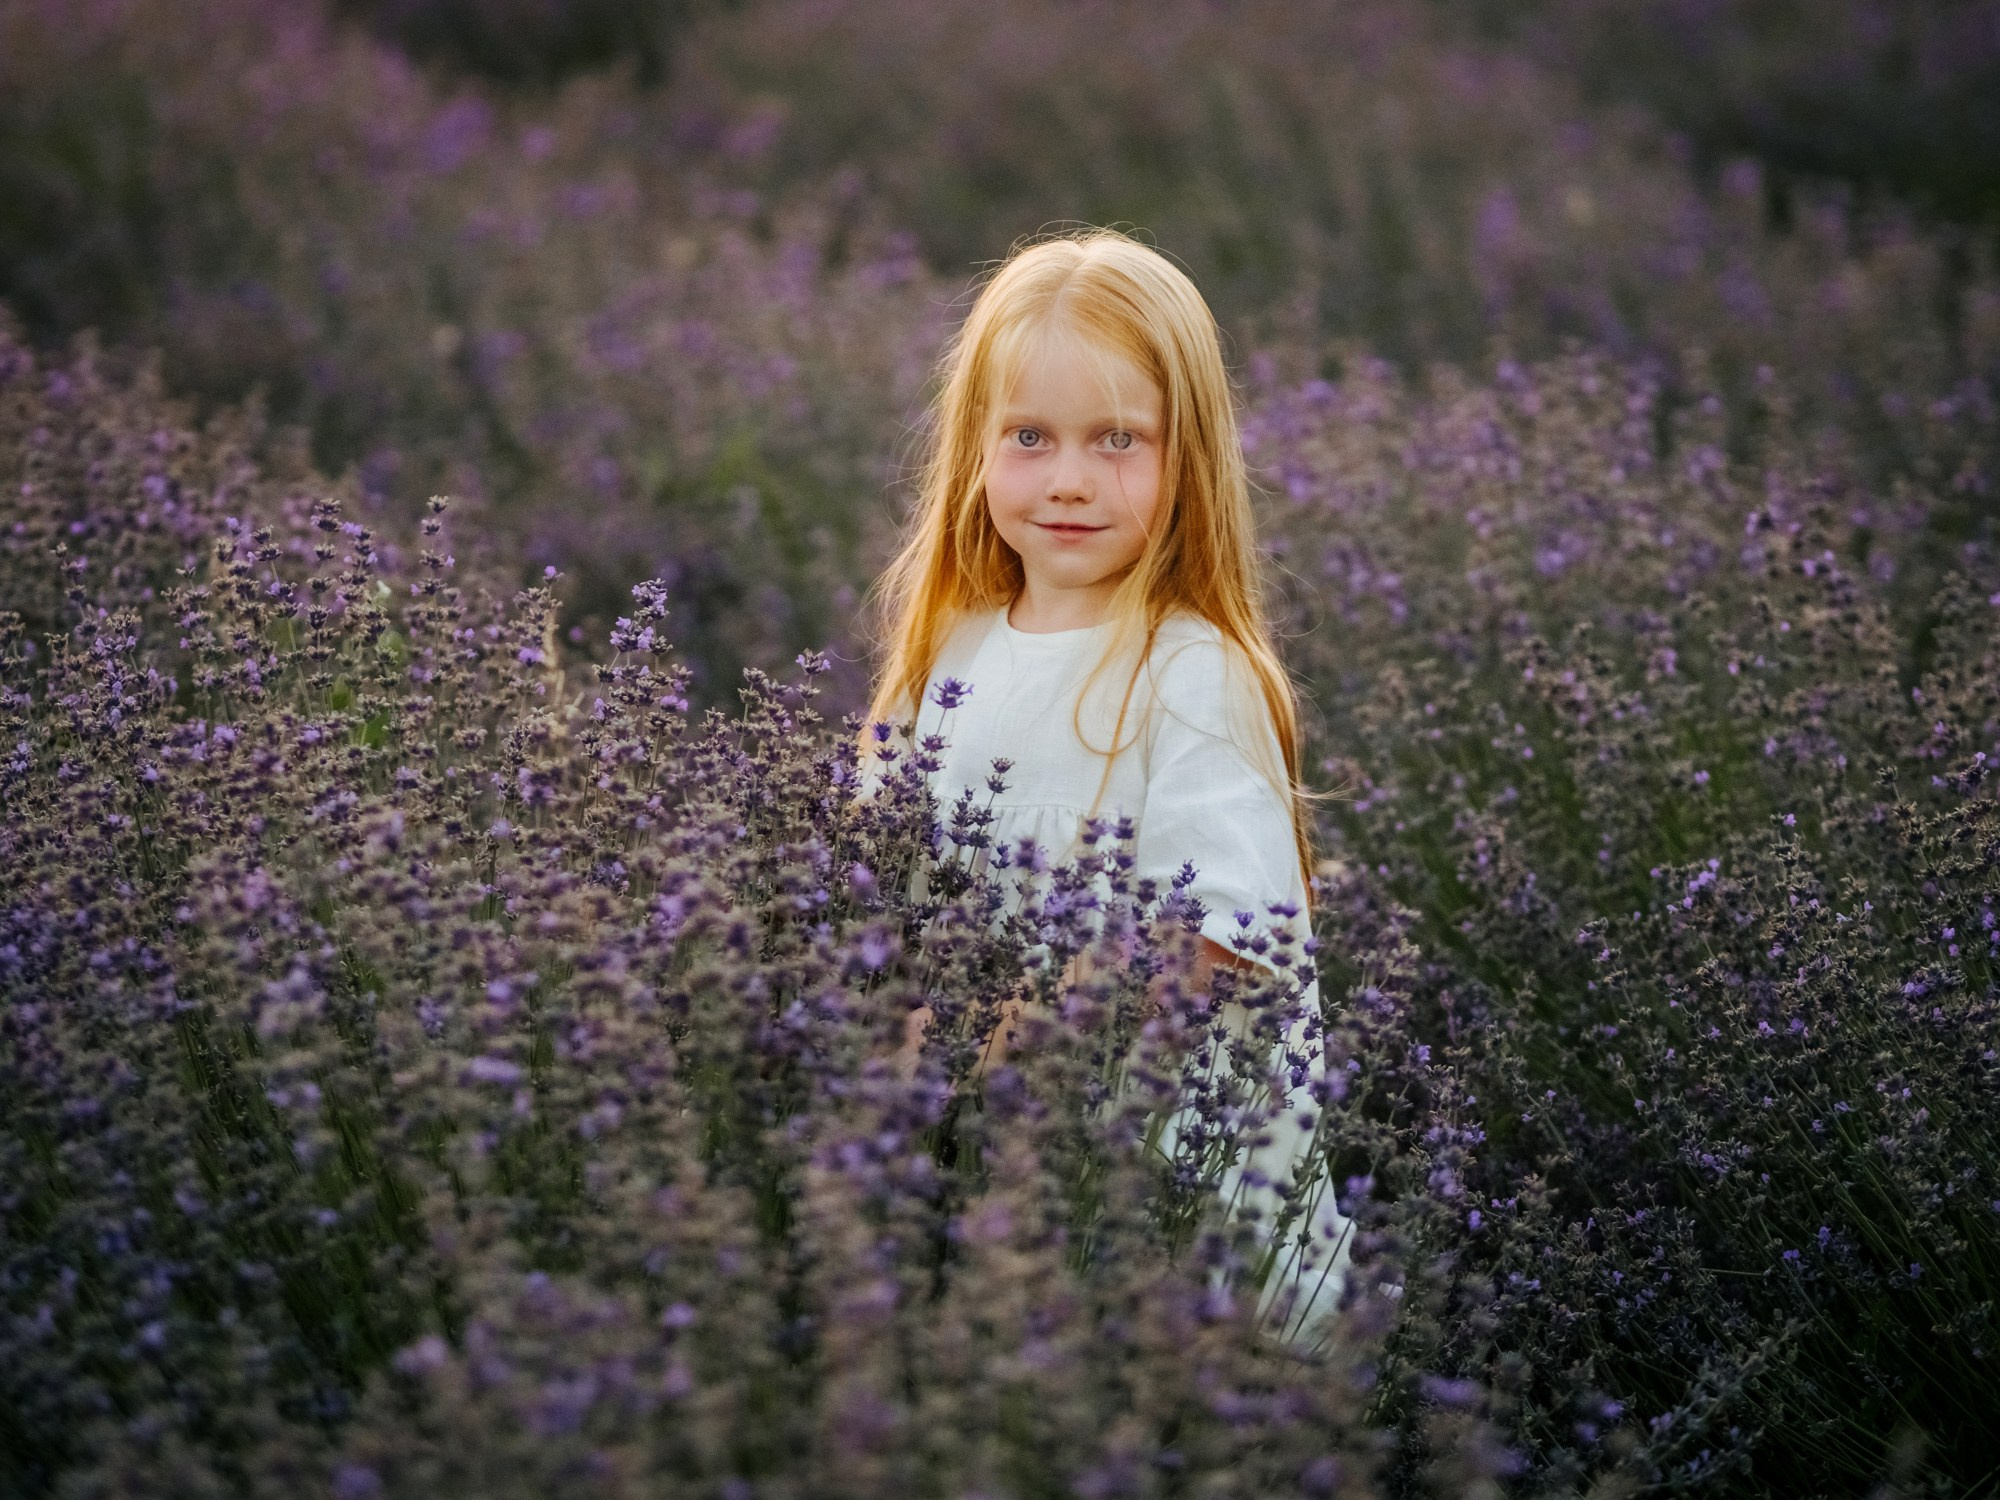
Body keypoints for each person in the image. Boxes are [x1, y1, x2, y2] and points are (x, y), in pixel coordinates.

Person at [853, 227, 1351, 1351]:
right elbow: (878, 879)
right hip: (1003, 1191)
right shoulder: (953, 655)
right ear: (973, 452)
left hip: (1179, 1211)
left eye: (1116, 440)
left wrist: (1009, 1035)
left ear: (1188, 460)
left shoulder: (1189, 675)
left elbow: (1223, 939)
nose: (1068, 478)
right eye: (1028, 436)